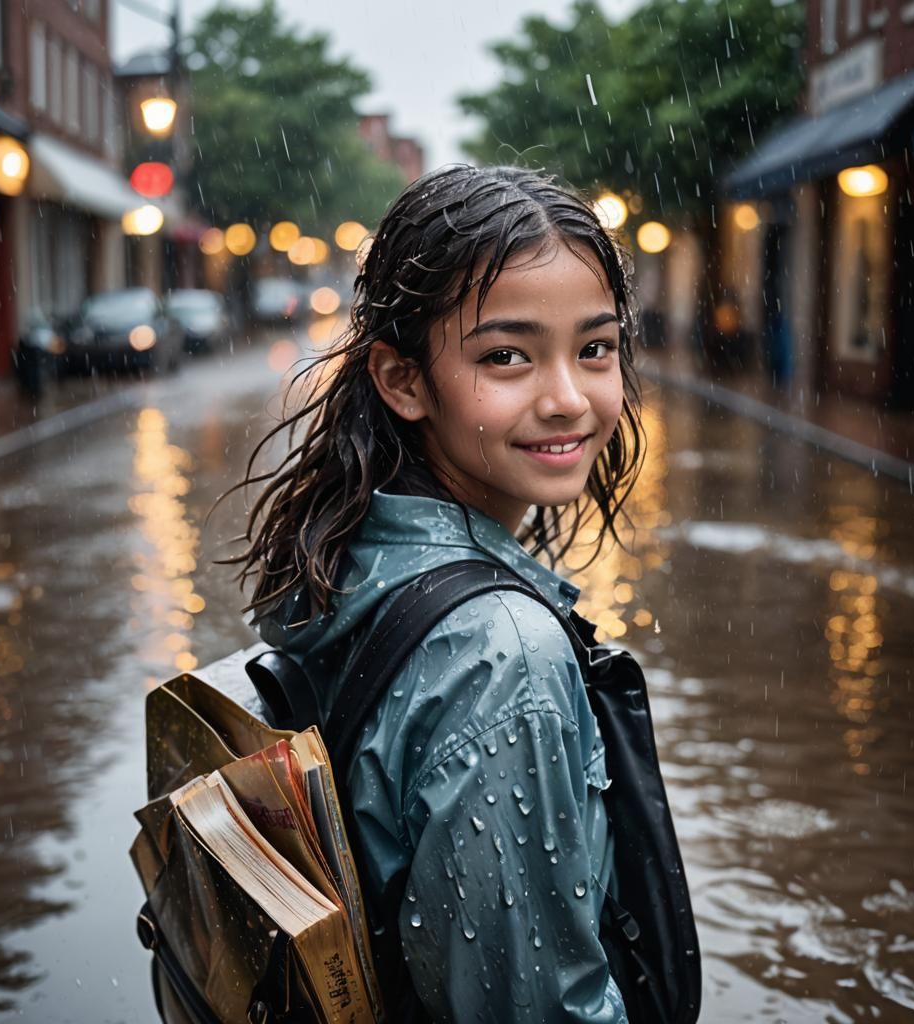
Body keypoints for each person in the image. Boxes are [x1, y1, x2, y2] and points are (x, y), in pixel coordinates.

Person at [230, 164, 644, 1022]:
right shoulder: (504, 658)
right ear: (403, 380)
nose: (569, 399)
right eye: (506, 356)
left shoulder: (350, 558)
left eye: (594, 348)